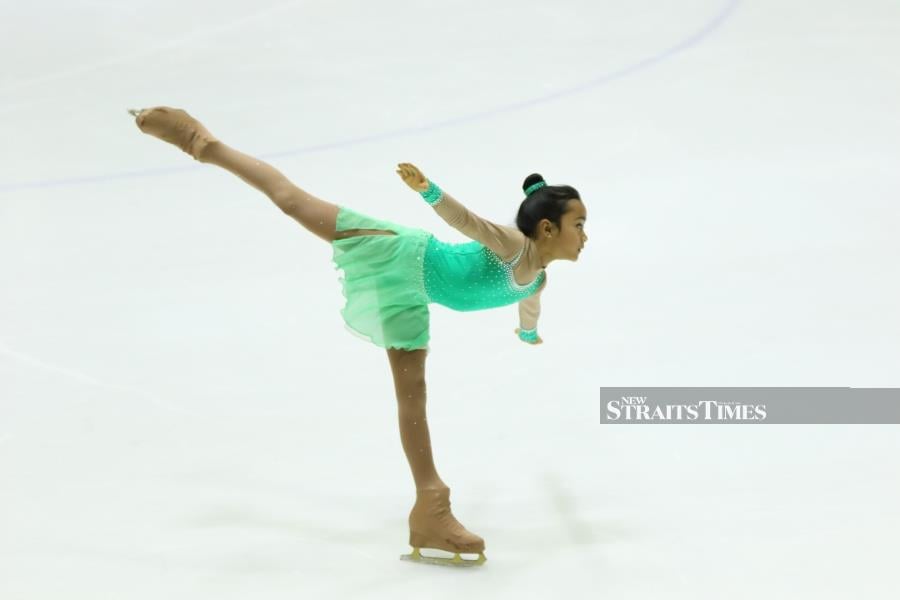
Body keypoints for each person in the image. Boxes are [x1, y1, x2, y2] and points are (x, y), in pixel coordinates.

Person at [128, 107, 588, 566]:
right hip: (400, 253)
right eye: (578, 224)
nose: (584, 235)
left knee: (413, 394)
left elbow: (530, 308)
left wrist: (528, 335)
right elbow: (466, 222)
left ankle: (430, 507)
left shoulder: (537, 280)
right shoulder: (511, 245)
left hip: (413, 297)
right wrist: (427, 190)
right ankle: (205, 146)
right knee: (293, 202)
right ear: (547, 228)